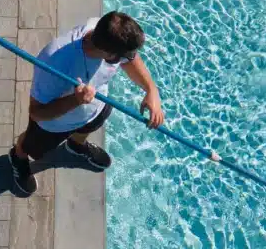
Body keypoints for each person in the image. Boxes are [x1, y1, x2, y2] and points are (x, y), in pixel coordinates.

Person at [9, 11, 165, 194]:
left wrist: (151, 89)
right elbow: (36, 112)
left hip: (95, 108)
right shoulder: (55, 61)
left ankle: (75, 145)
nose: (131, 58)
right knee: (31, 147)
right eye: (125, 56)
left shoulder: (107, 33)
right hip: (56, 125)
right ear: (109, 54)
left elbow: (131, 59)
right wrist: (76, 100)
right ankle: (17, 158)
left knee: (88, 127)